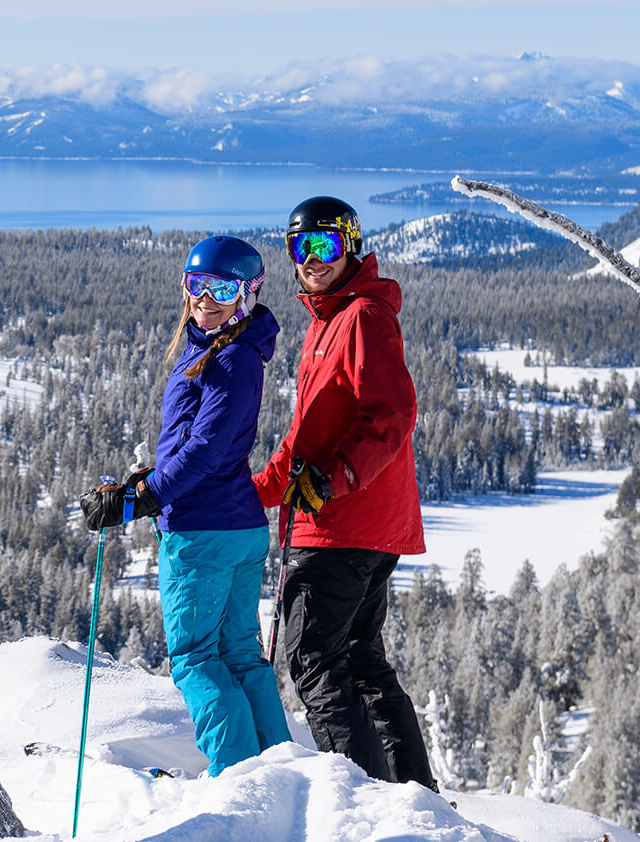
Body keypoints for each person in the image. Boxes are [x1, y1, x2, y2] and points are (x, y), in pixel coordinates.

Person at [82, 235, 290, 776]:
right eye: (197, 285)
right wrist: (144, 480)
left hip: (203, 531)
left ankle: (240, 786)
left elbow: (205, 449)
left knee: (197, 659)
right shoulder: (223, 352)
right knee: (240, 654)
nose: (206, 298)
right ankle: (278, 774)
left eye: (222, 287)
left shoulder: (230, 359)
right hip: (238, 524)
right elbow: (197, 446)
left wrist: (145, 498)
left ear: (247, 293)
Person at [252, 196, 437, 790]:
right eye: (300, 249)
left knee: (315, 660)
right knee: (360, 662)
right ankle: (412, 798)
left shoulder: (360, 317)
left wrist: (335, 480)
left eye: (325, 246)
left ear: (351, 245)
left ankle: (364, 806)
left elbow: (393, 413)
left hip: (342, 526)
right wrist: (249, 493)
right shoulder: (328, 322)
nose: (312, 260)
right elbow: (306, 440)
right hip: (357, 524)